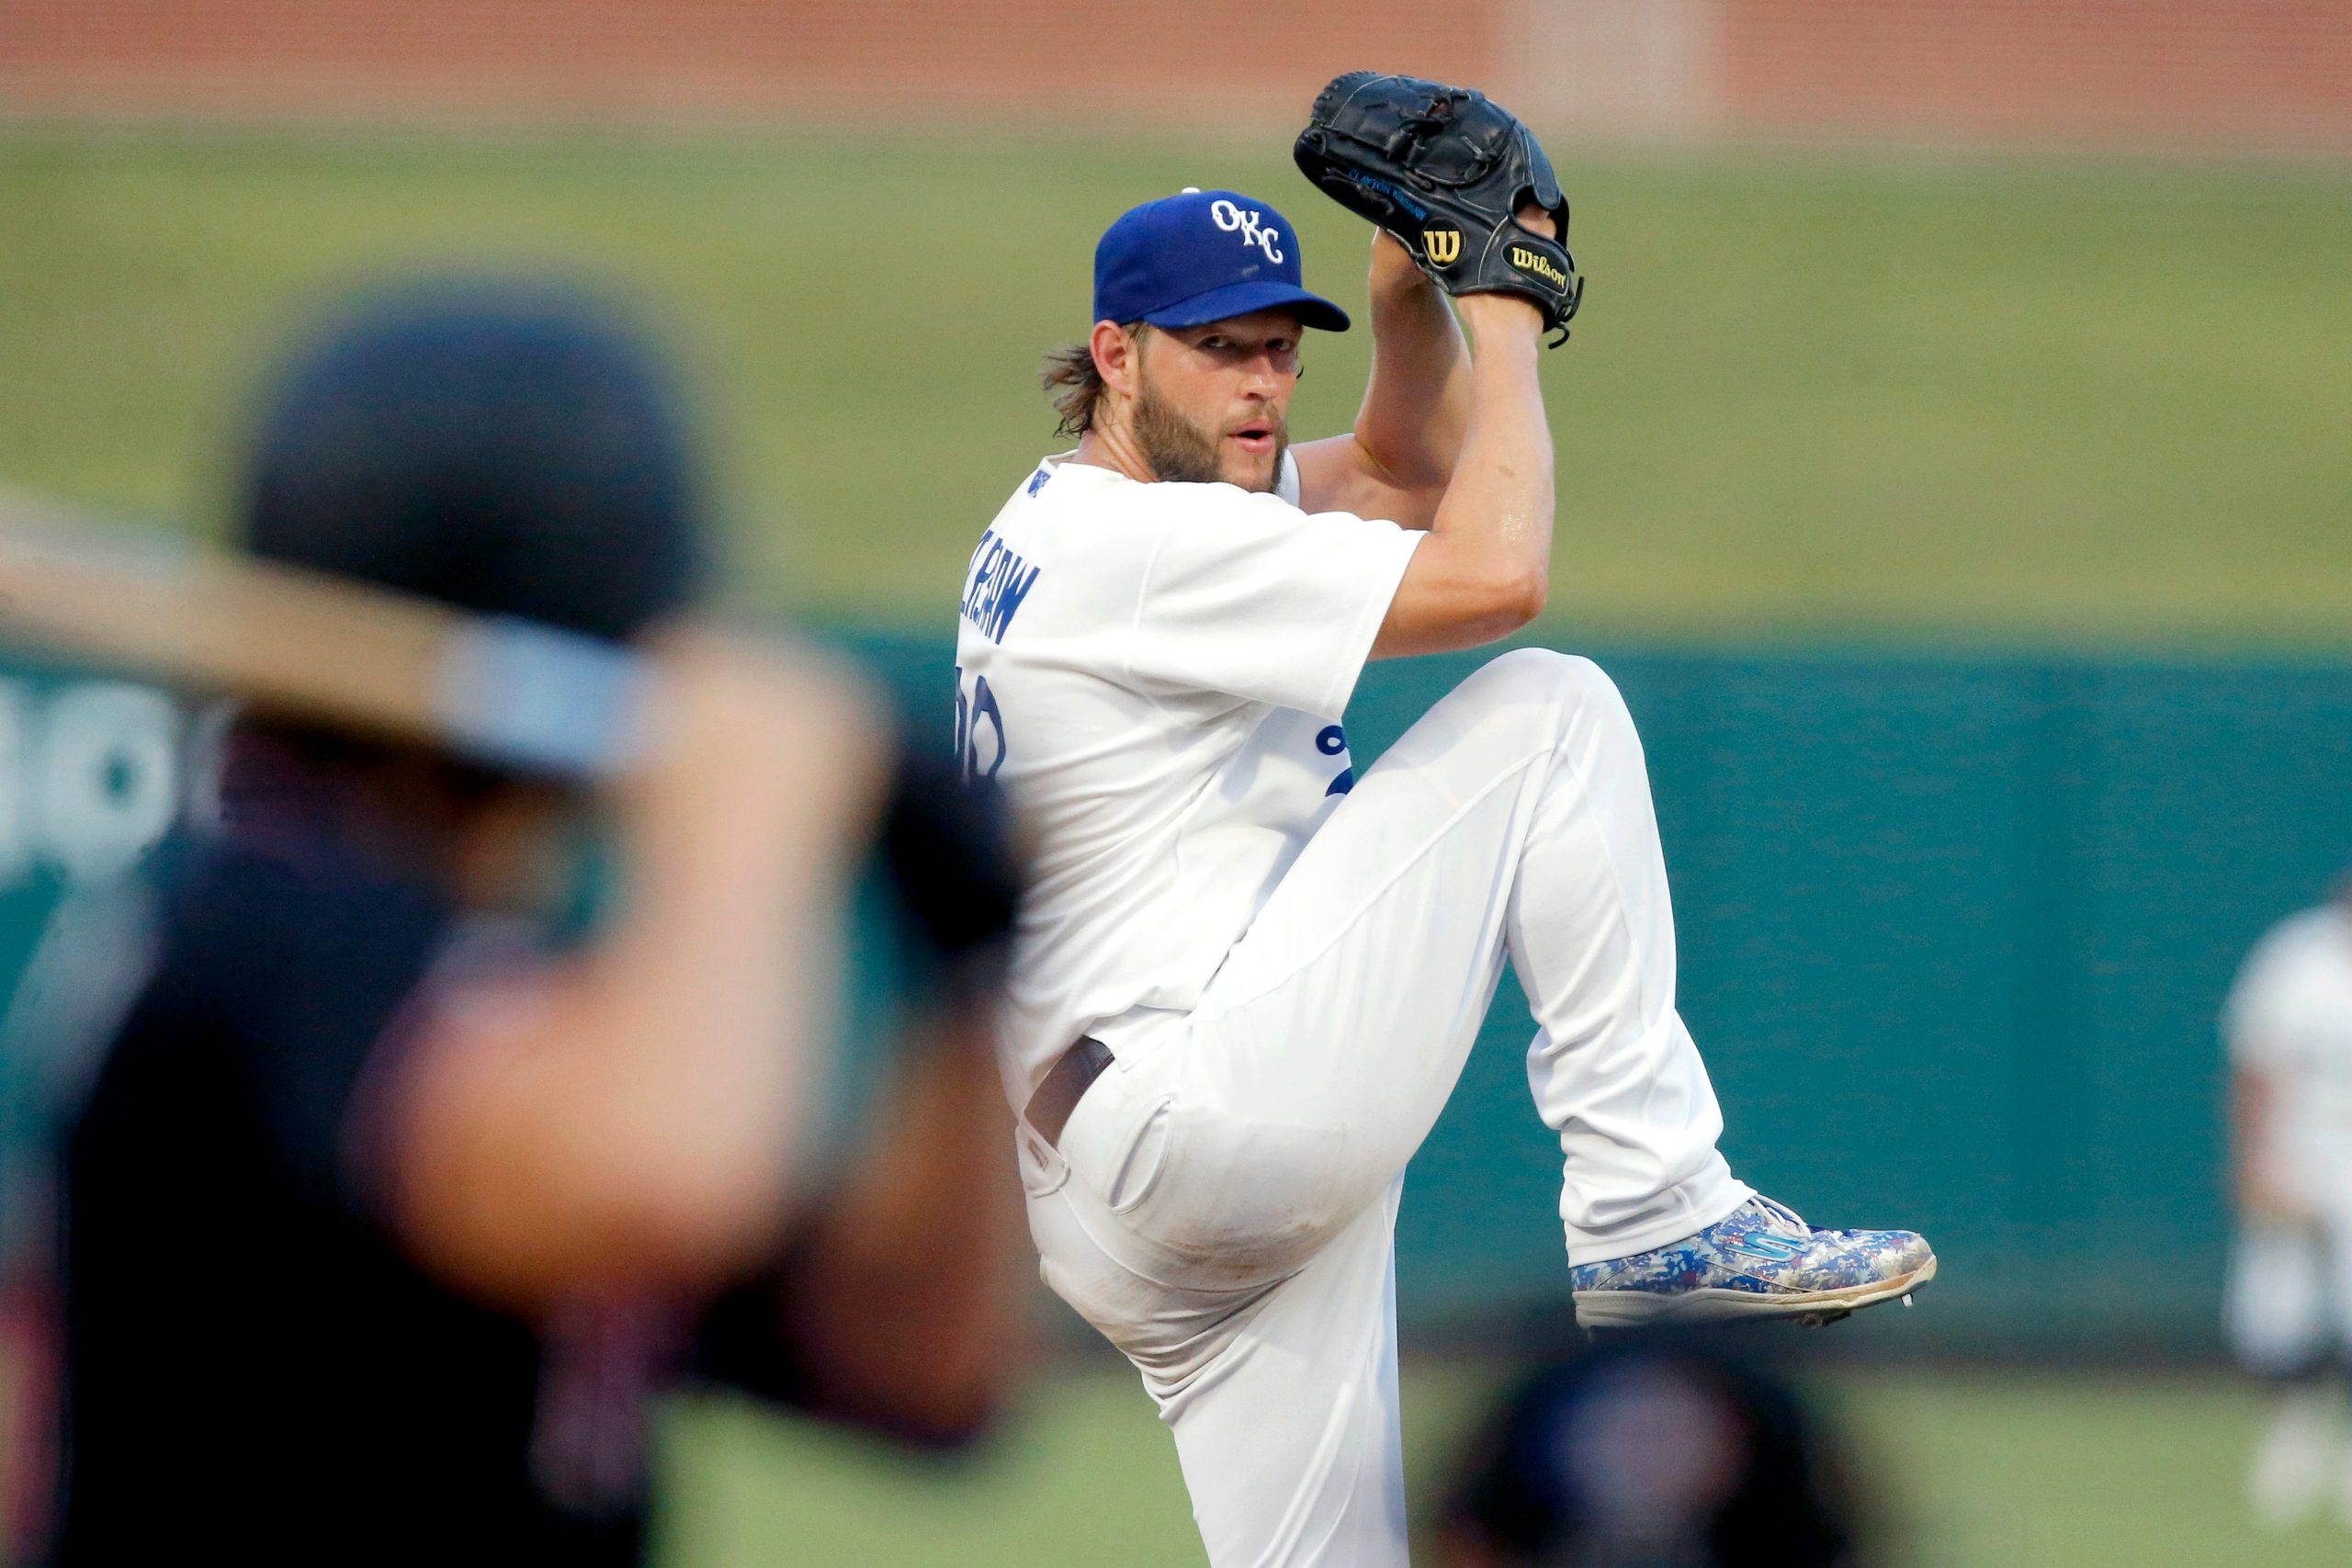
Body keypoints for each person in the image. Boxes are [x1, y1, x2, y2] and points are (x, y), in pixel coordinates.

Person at [952, 176, 1935, 1565]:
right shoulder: (1153, 545)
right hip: (1195, 1108)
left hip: (1127, 1169)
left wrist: (1411, 299)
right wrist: (1508, 316)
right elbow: (1495, 572)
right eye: (1217, 346)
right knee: (1549, 713)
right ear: (1115, 353)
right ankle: (1656, 1213)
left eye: (1283, 346)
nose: (1261, 382)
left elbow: (1406, 472)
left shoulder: (1091, 513)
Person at [17, 286, 1026, 1564]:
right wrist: (749, 805)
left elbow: (920, 1376)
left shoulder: (520, 991)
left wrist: (964, 961)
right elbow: (660, 1179)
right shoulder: (271, 929)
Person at [1430, 1332, 1871, 1568]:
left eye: (1671, 1437)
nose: (1644, 1462)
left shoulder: (1784, 1504)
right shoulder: (1509, 1493)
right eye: (1623, 1437)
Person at [2223, 874, 2352, 1530]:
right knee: (2276, 1306)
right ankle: (2294, 1433)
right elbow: (2257, 1062)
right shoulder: (2301, 955)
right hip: (2303, 1143)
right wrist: (2253, 1158)